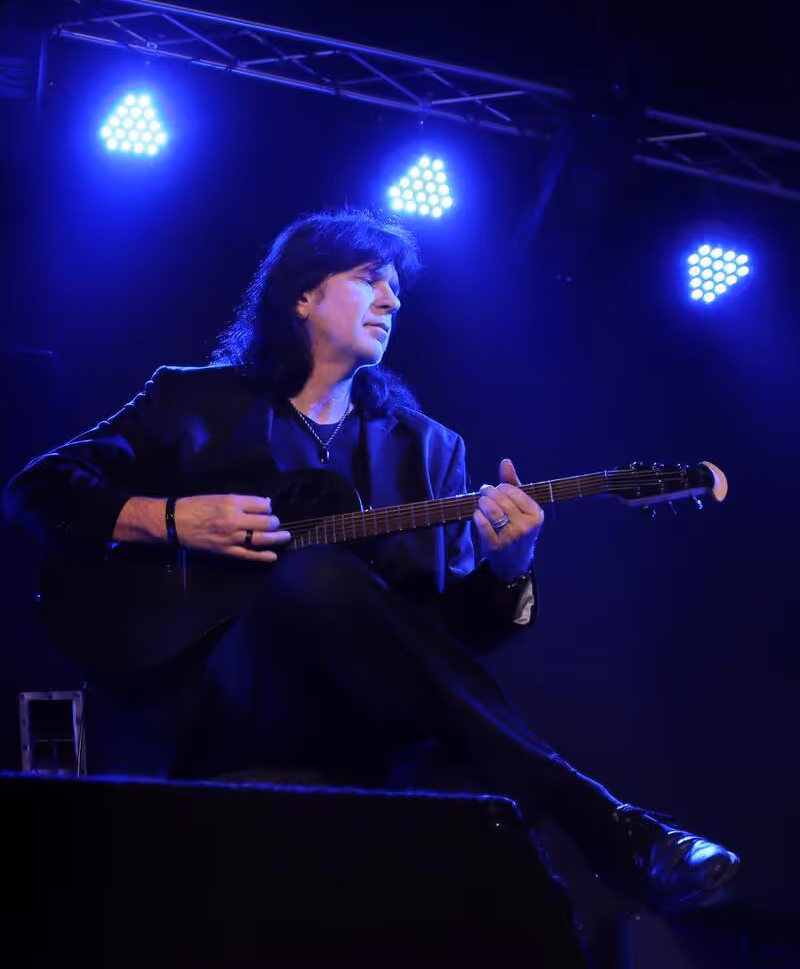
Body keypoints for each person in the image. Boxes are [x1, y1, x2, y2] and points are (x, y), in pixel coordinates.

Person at [4, 207, 738, 913]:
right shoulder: (191, 400)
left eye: (397, 287)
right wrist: (168, 518)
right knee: (312, 573)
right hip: (212, 693)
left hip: (359, 716)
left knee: (458, 772)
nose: (391, 297)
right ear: (301, 294)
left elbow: (446, 643)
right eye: (369, 277)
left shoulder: (431, 450)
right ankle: (609, 826)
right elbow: (34, 487)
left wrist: (512, 569)